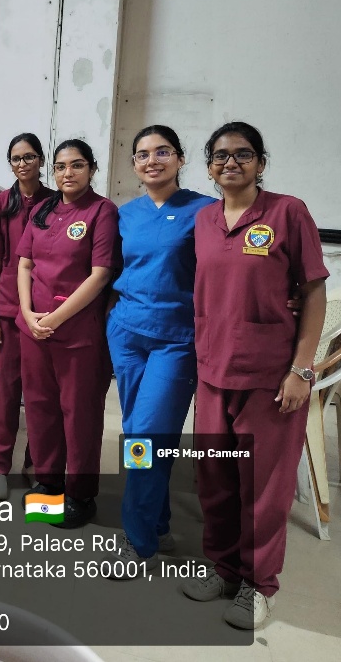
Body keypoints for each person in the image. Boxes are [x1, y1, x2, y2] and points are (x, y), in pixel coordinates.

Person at [183, 122, 326, 630]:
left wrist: (301, 370)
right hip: (213, 370)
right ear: (209, 166)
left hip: (270, 377)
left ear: (261, 163)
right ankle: (221, 569)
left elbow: (311, 294)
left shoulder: (288, 212)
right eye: (220, 156)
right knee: (216, 479)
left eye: (243, 154)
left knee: (264, 489)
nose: (231, 163)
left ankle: (257, 585)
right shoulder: (203, 220)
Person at [102, 126, 214, 571]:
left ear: (180, 158)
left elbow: (228, 268)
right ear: (133, 164)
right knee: (143, 435)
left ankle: (138, 542)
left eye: (162, 152)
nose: (152, 161)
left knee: (146, 436)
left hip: (175, 340)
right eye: (143, 154)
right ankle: (159, 522)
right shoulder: (125, 215)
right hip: (127, 333)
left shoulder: (204, 212)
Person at [16, 139, 118, 528]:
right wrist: (27, 313)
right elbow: (24, 264)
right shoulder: (42, 208)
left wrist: (54, 317)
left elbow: (100, 275)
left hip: (77, 334)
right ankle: (48, 484)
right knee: (40, 409)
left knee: (80, 415)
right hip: (35, 330)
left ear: (91, 169)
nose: (67, 173)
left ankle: (80, 495)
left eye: (77, 165)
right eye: (60, 167)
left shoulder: (102, 211)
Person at [0, 134, 52, 500]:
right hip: (9, 311)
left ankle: (36, 464)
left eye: (29, 157)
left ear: (41, 161)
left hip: (45, 313)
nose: (22, 163)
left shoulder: (55, 202)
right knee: (6, 393)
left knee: (41, 396)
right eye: (16, 158)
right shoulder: (1, 204)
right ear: (9, 164)